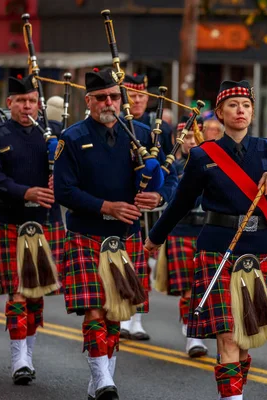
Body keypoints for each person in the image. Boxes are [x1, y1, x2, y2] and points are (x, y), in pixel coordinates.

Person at [145, 80, 267, 400]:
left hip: (260, 248)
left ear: (253, 112)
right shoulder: (203, 155)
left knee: (245, 341)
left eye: (245, 105)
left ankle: (232, 393)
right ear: (220, 112)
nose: (240, 110)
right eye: (232, 105)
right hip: (217, 247)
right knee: (228, 337)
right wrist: (155, 238)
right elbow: (182, 202)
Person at [54, 67, 167, 400]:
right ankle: (104, 380)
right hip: (86, 234)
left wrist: (158, 196)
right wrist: (107, 206)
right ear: (88, 100)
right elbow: (63, 191)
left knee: (116, 312)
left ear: (122, 99)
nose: (109, 102)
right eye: (101, 97)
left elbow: (171, 178)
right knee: (94, 310)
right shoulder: (71, 138)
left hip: (123, 238)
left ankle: (101, 379)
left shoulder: (143, 135)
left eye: (114, 96)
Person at [0, 75, 65, 385]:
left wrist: (62, 183)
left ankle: (27, 352)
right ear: (9, 103)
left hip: (46, 221)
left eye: (32, 101)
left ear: (39, 104)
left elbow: (71, 174)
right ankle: (18, 359)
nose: (27, 106)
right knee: (18, 291)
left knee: (36, 292)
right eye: (21, 101)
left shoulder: (53, 134)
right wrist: (26, 191)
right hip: (11, 220)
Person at [119, 72, 179, 341]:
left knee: (142, 263)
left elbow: (170, 167)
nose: (139, 100)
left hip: (149, 206)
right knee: (122, 262)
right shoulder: (119, 124)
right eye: (133, 95)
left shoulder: (160, 129)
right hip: (122, 204)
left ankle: (137, 319)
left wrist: (159, 195)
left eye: (143, 95)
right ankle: (122, 316)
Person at [154, 116, 211, 358]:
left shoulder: (209, 165)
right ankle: (192, 335)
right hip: (180, 231)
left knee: (205, 285)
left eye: (192, 137)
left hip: (205, 231)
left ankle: (197, 329)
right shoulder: (173, 169)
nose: (189, 141)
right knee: (188, 288)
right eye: (184, 138)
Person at [123, 73, 173, 157]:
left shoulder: (161, 126)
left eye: (141, 96)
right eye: (132, 96)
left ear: (147, 97)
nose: (137, 100)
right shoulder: (115, 123)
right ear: (123, 98)